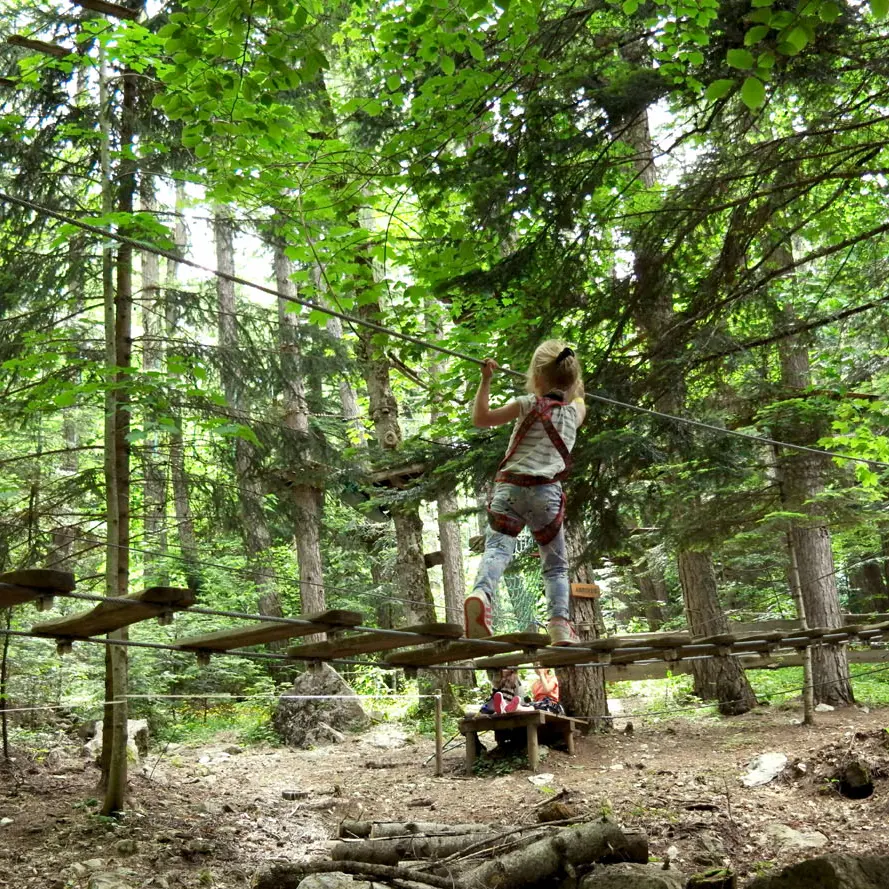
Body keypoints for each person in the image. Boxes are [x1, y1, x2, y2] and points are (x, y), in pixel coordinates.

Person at [464, 340, 586, 646]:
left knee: (497, 550)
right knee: (555, 564)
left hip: (510, 489)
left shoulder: (526, 404)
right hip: (546, 495)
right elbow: (579, 398)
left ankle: (482, 594)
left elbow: (481, 418)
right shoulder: (574, 414)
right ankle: (559, 624)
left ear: (535, 377)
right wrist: (574, 384)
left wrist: (485, 380)